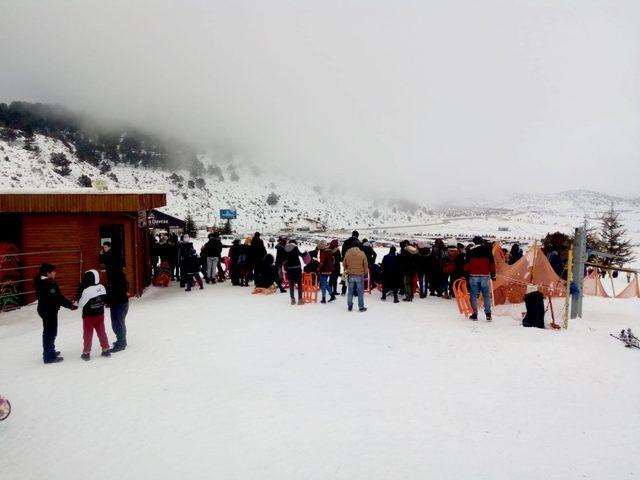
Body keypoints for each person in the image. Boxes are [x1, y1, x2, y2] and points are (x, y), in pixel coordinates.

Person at [34, 263, 77, 364]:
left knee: (50, 331)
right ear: (48, 273)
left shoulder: (44, 281)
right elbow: (58, 298)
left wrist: (69, 304)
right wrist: (70, 305)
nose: (55, 273)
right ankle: (49, 356)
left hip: (47, 309)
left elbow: (57, 297)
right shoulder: (47, 284)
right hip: (48, 311)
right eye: (53, 272)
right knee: (50, 332)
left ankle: (50, 351)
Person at [77, 269, 111, 361]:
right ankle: (106, 349)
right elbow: (106, 299)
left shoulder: (86, 290)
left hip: (88, 316)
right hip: (100, 314)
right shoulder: (102, 287)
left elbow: (81, 304)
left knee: (87, 334)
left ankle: (86, 353)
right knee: (101, 332)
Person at [465, 236, 496, 321]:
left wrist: (466, 275)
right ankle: (488, 314)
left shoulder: (470, 250)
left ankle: (474, 314)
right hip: (485, 275)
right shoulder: (487, 250)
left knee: (473, 295)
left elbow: (467, 264)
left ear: (474, 242)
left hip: (473, 275)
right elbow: (492, 263)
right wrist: (493, 274)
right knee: (486, 295)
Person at [343, 240, 368, 312]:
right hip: (359, 275)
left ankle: (350, 305)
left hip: (350, 275)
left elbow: (344, 264)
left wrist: (347, 269)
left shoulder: (347, 253)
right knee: (360, 292)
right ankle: (361, 307)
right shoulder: (362, 253)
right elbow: (365, 264)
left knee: (350, 291)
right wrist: (365, 272)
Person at [283, 239, 306, 305]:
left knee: (291, 285)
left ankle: (292, 300)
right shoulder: (295, 248)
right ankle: (300, 300)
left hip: (290, 269)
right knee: (299, 284)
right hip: (297, 268)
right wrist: (306, 253)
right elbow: (302, 255)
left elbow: (285, 259)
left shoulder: (285, 249)